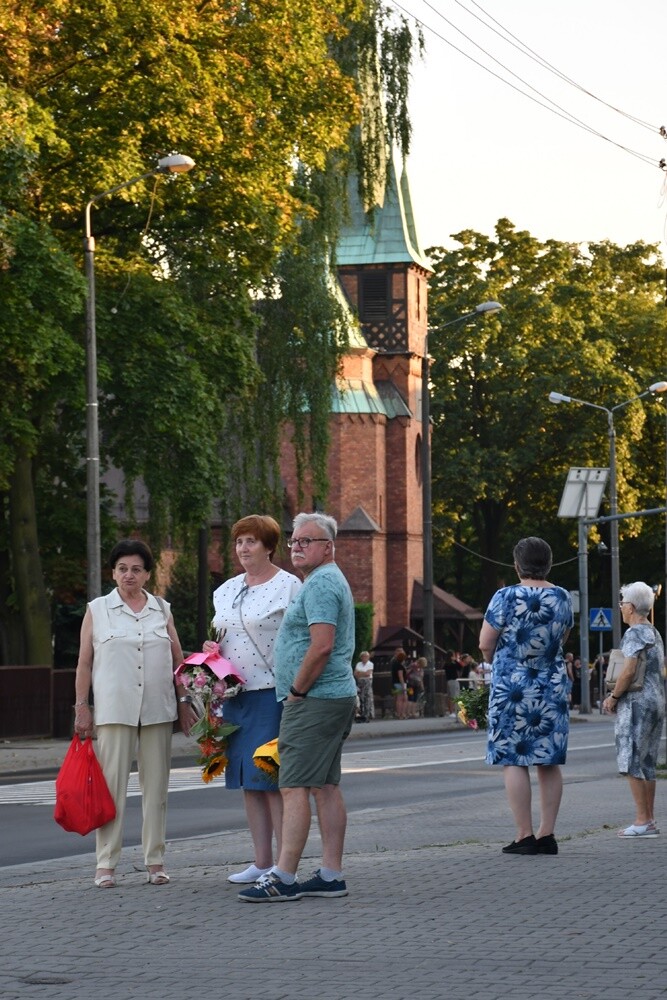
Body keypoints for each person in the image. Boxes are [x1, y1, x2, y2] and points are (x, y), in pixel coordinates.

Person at [238, 511, 356, 902]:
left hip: (317, 698)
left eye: (307, 541)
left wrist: (298, 691)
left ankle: (283, 877)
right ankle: (330, 874)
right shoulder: (323, 580)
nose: (297, 547)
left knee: (293, 786)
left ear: (328, 547)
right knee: (325, 785)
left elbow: (321, 644)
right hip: (332, 695)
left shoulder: (321, 583)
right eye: (294, 541)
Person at [73, 539, 187, 888]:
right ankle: (106, 863)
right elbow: (84, 663)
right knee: (111, 789)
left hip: (156, 710)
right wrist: (82, 707)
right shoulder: (98, 609)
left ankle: (155, 860)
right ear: (113, 572)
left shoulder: (161, 609)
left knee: (157, 790)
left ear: (148, 574)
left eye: (136, 569)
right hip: (113, 710)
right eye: (122, 568)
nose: (129, 575)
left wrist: (184, 704)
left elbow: (179, 661)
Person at [196, 514, 302, 884]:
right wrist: (211, 649)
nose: (243, 548)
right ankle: (260, 860)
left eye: (251, 542)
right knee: (245, 779)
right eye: (239, 541)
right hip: (234, 694)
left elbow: (301, 638)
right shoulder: (225, 589)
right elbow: (222, 634)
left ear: (269, 546)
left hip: (271, 693)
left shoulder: (289, 586)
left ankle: (282, 864)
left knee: (269, 778)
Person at [479, 536, 573, 857]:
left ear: (517, 565)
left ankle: (524, 835)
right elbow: (562, 638)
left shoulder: (505, 596)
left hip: (512, 688)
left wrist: (501, 662)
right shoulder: (561, 597)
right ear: (548, 564)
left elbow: (485, 642)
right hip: (552, 687)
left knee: (513, 759)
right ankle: (548, 835)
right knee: (548, 760)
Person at [602, 582, 666, 838]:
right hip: (656, 700)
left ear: (631, 606)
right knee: (648, 761)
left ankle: (642, 820)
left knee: (631, 761)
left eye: (622, 604)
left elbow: (628, 671)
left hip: (637, 702)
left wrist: (613, 696)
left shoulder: (635, 633)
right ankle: (649, 820)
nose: (620, 608)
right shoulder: (654, 632)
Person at [354, 651, 375, 722]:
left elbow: (368, 674)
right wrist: (362, 673)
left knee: (367, 698)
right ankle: (360, 714)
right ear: (361, 657)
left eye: (366, 656)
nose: (365, 658)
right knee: (360, 698)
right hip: (360, 683)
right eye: (363, 656)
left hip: (367, 682)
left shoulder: (370, 664)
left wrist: (360, 673)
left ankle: (367, 714)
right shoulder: (358, 664)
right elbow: (355, 674)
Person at [389, 647, 408, 719]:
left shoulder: (395, 662)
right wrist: (403, 686)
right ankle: (400, 714)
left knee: (399, 698)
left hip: (395, 683)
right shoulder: (398, 664)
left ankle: (399, 713)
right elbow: (400, 676)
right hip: (399, 683)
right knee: (401, 698)